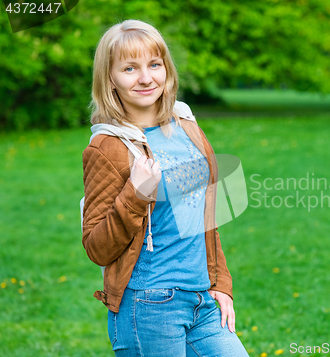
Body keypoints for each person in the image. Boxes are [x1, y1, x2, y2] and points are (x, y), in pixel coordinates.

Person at [81, 19, 249, 357]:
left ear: (166, 69)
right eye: (130, 68)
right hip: (148, 305)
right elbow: (97, 247)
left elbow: (206, 215)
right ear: (110, 78)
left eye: (154, 64)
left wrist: (221, 283)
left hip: (201, 301)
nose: (146, 78)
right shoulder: (107, 147)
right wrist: (135, 196)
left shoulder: (187, 126)